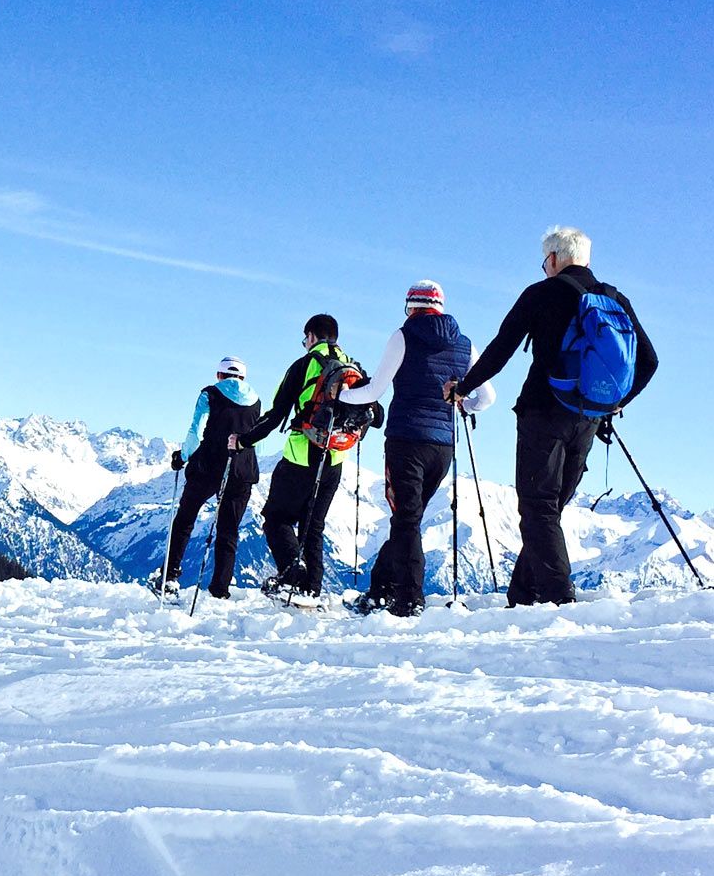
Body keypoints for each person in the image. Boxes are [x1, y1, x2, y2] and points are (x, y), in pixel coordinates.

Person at [443, 227, 658, 608]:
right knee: (549, 509)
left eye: (545, 261)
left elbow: (501, 349)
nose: (544, 267)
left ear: (555, 259)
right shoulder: (613, 298)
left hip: (543, 411)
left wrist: (464, 387)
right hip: (588, 418)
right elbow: (649, 361)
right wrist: (615, 403)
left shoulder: (541, 293)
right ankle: (523, 597)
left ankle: (560, 599)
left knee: (538, 507)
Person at [339, 280, 495, 616]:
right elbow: (487, 396)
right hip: (442, 446)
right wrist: (463, 407)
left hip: (406, 439)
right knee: (407, 519)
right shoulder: (465, 344)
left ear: (411, 306)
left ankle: (409, 599)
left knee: (406, 519)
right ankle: (380, 589)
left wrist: (341, 397)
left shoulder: (403, 335)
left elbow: (375, 390)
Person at [228, 315, 378, 597]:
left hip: (300, 456)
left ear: (311, 336)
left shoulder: (303, 365)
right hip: (335, 458)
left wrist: (242, 442)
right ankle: (313, 587)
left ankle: (293, 578)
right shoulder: (353, 369)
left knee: (277, 518)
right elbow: (376, 415)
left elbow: (276, 416)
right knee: (314, 526)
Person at [156, 356, 260, 600]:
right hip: (242, 470)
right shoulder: (256, 401)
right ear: (243, 378)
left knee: (185, 520)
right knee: (228, 530)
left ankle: (169, 577)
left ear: (219, 375)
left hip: (208, 465)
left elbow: (195, 430)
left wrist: (182, 456)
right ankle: (220, 589)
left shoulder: (209, 394)